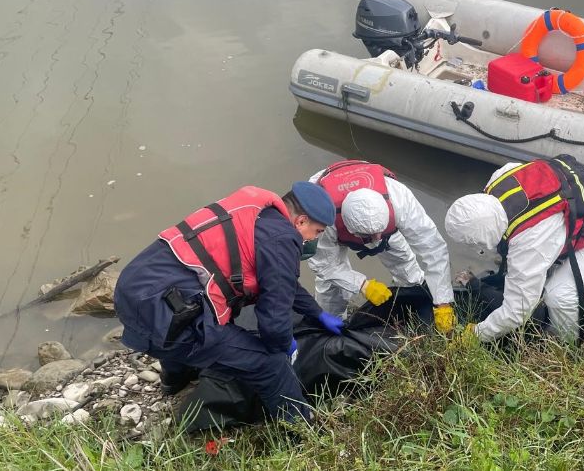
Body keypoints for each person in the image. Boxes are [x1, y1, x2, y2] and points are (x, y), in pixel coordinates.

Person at [113, 183, 345, 423]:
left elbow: (281, 282)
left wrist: (317, 313)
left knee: (178, 323)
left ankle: (174, 382)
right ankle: (301, 431)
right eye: (317, 232)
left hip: (133, 291)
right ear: (301, 222)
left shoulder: (258, 212)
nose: (314, 239)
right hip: (164, 313)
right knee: (271, 365)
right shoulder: (283, 239)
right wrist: (285, 344)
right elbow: (274, 325)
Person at [444, 154, 584, 343]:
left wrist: (475, 334)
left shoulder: (531, 242)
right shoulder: (497, 180)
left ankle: (565, 346)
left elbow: (517, 312)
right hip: (583, 184)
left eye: (474, 241)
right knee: (541, 275)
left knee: (559, 294)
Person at [307, 160, 456, 332]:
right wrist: (362, 285)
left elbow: (433, 248)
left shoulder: (400, 200)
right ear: (348, 227)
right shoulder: (321, 215)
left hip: (379, 216)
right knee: (331, 288)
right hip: (332, 208)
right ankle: (331, 324)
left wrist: (443, 301)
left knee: (404, 264)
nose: (376, 239)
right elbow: (324, 265)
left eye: (379, 232)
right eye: (368, 237)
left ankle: (411, 298)